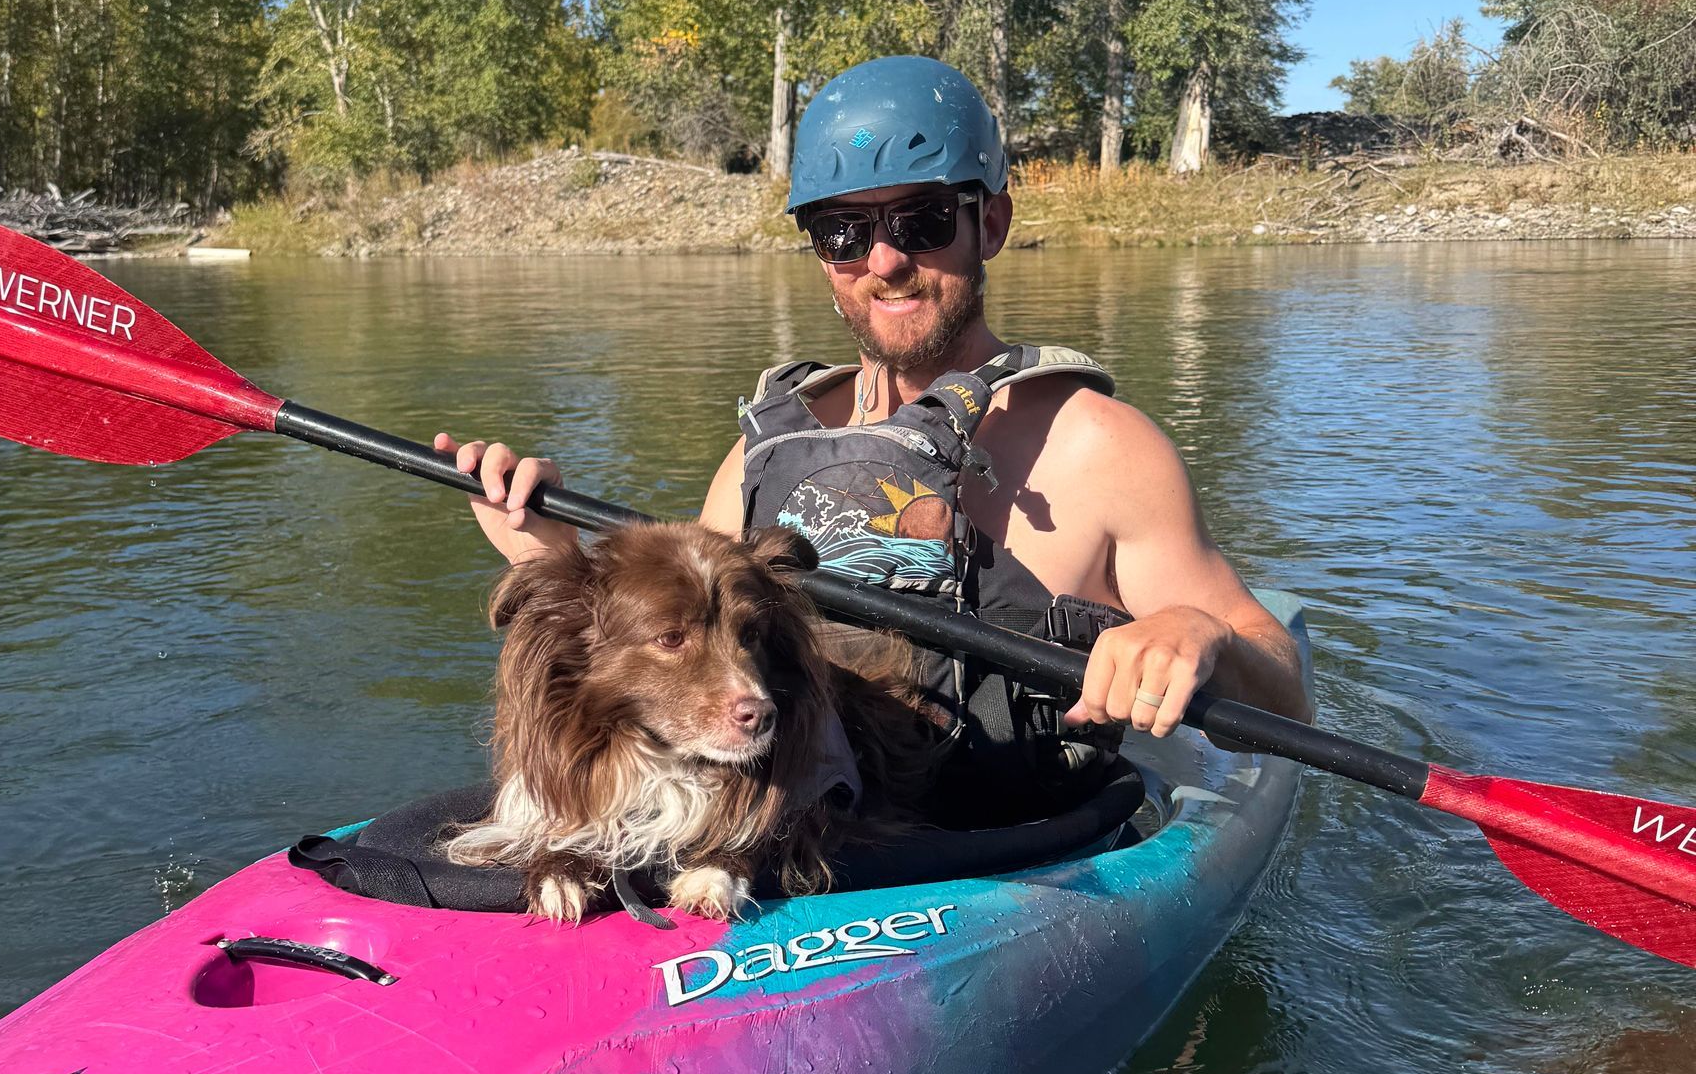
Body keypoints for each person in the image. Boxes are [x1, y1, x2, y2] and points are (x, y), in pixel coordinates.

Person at [437, 55, 1308, 826]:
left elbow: (1289, 698)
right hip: (795, 835)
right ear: (820, 253)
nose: (883, 261)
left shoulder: (1101, 449)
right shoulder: (765, 453)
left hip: (1003, 851)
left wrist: (1201, 633)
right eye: (844, 233)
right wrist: (549, 563)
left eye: (922, 220)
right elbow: (679, 667)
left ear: (991, 224)